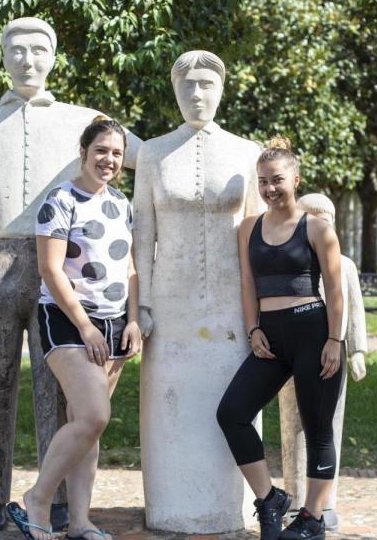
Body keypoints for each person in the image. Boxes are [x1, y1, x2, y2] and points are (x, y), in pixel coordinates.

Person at [0, 17, 140, 532]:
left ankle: (56, 503)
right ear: (2, 55)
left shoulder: (83, 120)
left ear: (54, 56)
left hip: (64, 272)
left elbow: (146, 154)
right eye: (16, 49)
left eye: (38, 49)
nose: (27, 59)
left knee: (58, 396)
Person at [132, 50, 263, 532]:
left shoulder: (247, 152)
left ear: (222, 89)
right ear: (174, 91)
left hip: (232, 304)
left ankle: (235, 504)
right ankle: (171, 506)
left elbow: (257, 233)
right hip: (169, 306)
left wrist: (259, 311)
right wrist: (142, 304)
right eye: (187, 85)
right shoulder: (151, 153)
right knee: (171, 409)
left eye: (206, 84)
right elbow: (142, 233)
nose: (196, 93)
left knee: (232, 403)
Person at [8, 116, 142, 540]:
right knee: (94, 415)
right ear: (83, 152)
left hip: (115, 322)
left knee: (87, 426)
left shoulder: (121, 202)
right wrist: (85, 326)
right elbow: (50, 269)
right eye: (101, 150)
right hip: (69, 320)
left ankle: (81, 521)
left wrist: (133, 319)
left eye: (117, 153)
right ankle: (38, 498)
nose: (109, 159)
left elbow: (130, 267)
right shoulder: (60, 200)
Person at [217, 137, 344, 540]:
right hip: (269, 338)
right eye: (263, 181)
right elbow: (247, 282)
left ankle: (313, 519)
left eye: (277, 180)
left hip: (313, 333)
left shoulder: (317, 228)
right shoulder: (248, 228)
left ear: (295, 179)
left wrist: (335, 340)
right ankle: (269, 498)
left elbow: (335, 290)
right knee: (232, 413)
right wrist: (253, 329)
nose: (270, 188)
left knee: (317, 428)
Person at [279, 193, 368, 532]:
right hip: (292, 353)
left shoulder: (345, 265)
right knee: (293, 428)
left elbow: (354, 309)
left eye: (325, 220)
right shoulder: (288, 262)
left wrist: (357, 350)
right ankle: (295, 497)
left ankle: (325, 502)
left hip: (333, 353)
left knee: (329, 427)